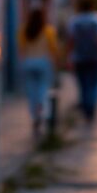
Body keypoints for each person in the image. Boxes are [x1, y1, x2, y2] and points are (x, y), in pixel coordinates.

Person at [66, 0, 97, 123]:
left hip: (79, 57)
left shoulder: (74, 21)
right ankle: (91, 107)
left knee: (83, 84)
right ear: (92, 6)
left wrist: (69, 58)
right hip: (95, 57)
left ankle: (86, 107)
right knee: (94, 84)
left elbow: (71, 41)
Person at [19, 7, 60, 137]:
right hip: (43, 62)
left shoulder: (24, 30)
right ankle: (43, 112)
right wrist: (56, 63)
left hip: (28, 62)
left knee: (32, 92)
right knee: (43, 89)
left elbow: (21, 49)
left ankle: (34, 116)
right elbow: (54, 49)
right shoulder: (48, 30)